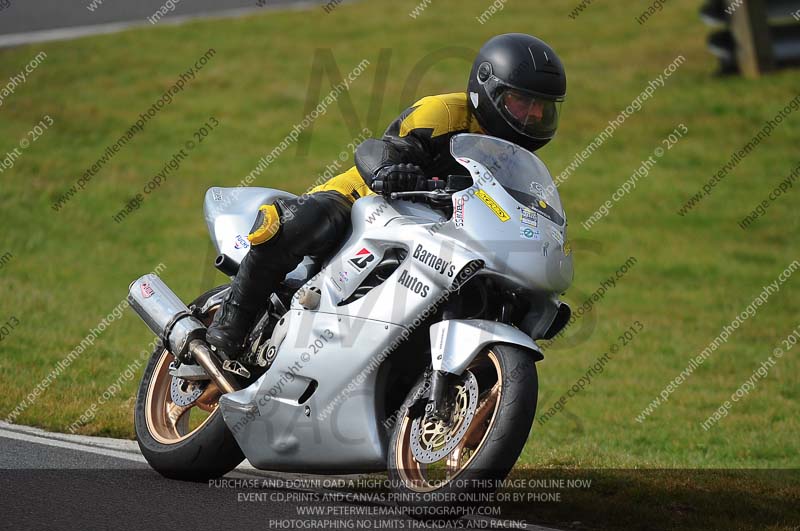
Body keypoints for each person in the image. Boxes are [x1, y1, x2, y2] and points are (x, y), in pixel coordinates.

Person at [206, 33, 567, 359]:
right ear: (487, 89)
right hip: (368, 203)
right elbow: (383, 148)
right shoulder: (444, 112)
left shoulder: (519, 163)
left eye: (543, 108)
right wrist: (388, 170)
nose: (533, 115)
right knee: (302, 222)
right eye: (523, 102)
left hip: (440, 237)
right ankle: (227, 330)